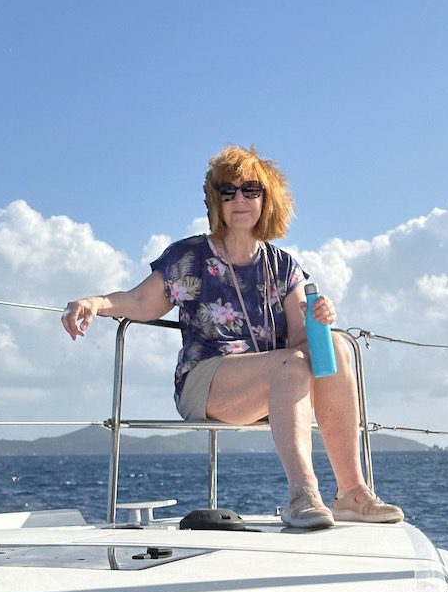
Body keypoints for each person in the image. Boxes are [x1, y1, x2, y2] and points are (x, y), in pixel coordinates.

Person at [62, 144, 403, 529]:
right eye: (228, 191)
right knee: (290, 366)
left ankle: (352, 493)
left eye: (250, 190)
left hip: (276, 381)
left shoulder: (282, 265)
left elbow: (302, 345)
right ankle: (303, 494)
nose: (239, 199)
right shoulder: (188, 257)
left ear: (266, 198)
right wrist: (95, 302)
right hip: (206, 381)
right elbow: (141, 301)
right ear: (216, 201)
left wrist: (318, 323)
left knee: (337, 345)